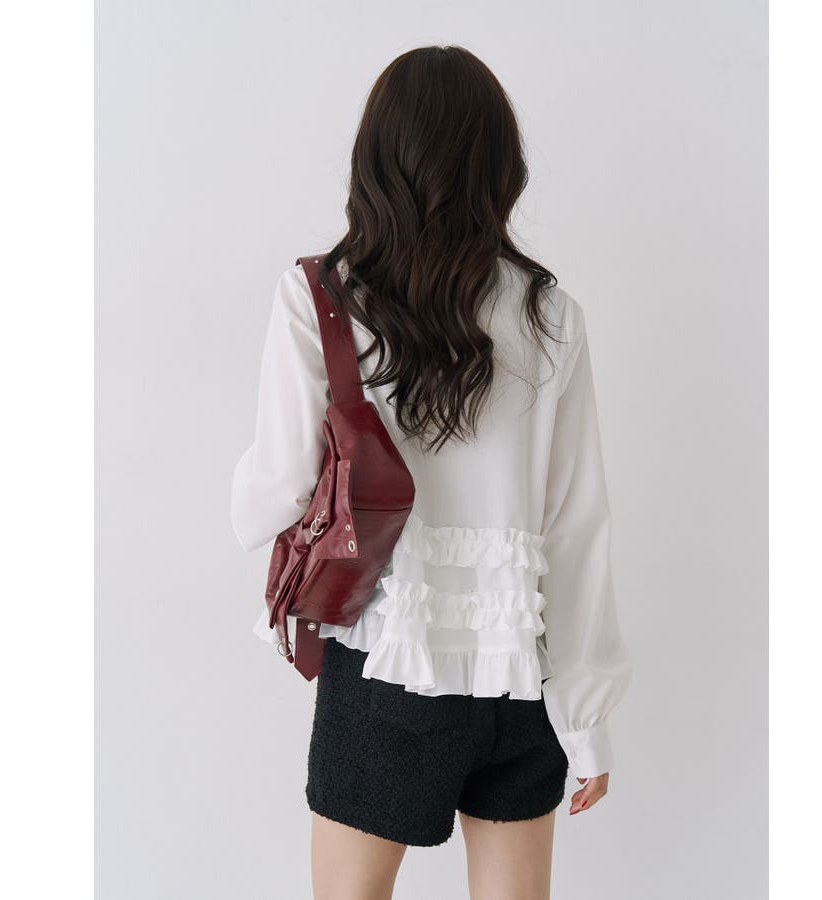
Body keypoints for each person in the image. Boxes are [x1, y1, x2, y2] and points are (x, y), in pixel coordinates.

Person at [231, 44, 632, 900]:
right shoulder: (552, 313)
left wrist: (246, 502)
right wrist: (586, 723)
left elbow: (277, 491)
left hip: (388, 667)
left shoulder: (321, 296)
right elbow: (576, 529)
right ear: (500, 166)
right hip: (519, 677)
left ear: (377, 158)